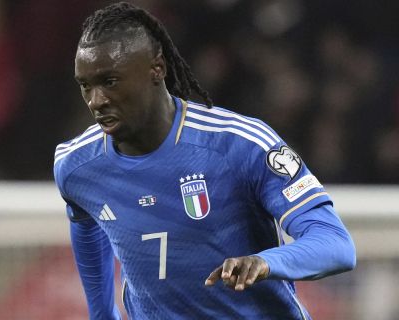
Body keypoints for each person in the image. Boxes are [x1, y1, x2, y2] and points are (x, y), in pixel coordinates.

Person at [53, 2, 356, 319]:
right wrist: (102, 313)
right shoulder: (77, 165)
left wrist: (267, 262)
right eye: (85, 86)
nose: (96, 101)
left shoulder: (239, 145)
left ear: (157, 69)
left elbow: (335, 244)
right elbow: (84, 223)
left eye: (110, 82)